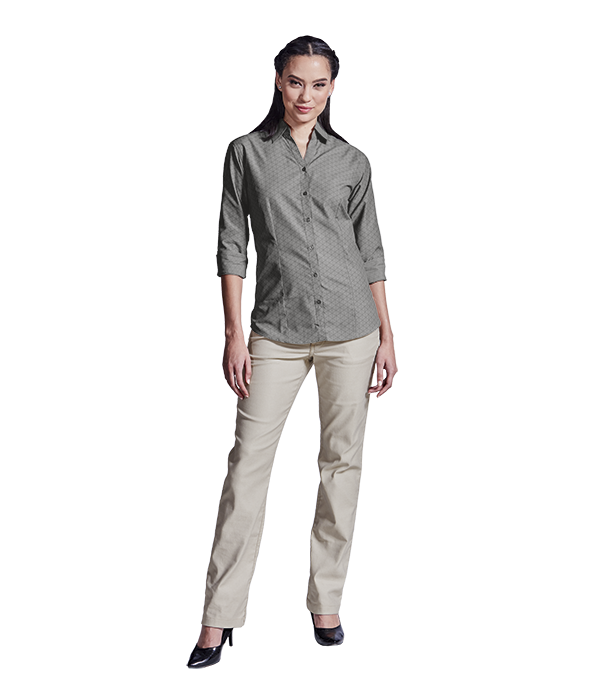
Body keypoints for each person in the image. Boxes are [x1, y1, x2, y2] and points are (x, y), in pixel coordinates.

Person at [186, 35, 398, 670]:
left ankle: (326, 604)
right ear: (278, 81)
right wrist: (233, 334)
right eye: (296, 81)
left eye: (319, 84)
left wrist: (387, 335)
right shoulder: (245, 153)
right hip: (274, 331)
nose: (307, 95)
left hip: (352, 330)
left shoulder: (353, 161)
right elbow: (231, 244)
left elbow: (371, 251)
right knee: (246, 470)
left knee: (342, 466)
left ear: (333, 88)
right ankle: (218, 618)